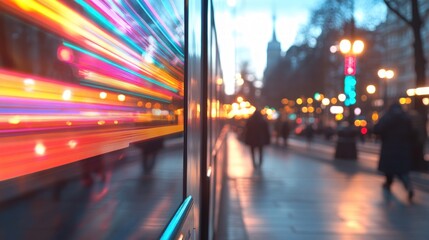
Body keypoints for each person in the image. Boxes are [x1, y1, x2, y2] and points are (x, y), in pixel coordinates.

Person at [373, 103, 414, 201]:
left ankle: (388, 183)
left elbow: (377, 129)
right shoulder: (406, 118)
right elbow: (412, 132)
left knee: (389, 168)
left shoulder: (387, 117)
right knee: (402, 170)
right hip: (403, 147)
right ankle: (407, 185)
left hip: (389, 146)